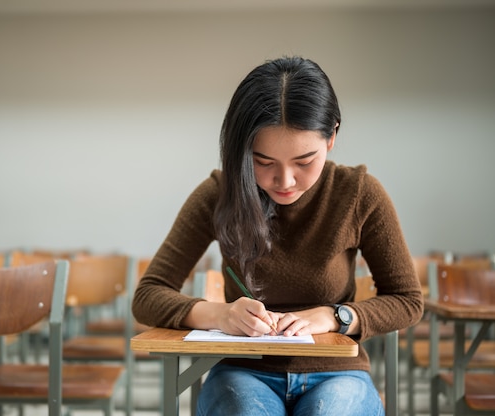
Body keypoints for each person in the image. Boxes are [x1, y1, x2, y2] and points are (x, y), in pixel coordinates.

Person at [132, 56, 424, 416]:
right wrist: (219, 315)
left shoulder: (359, 193)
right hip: (242, 370)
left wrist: (336, 316)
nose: (284, 181)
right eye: (263, 162)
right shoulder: (218, 194)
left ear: (332, 136)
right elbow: (147, 295)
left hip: (337, 374)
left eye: (304, 162)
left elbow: (408, 300)